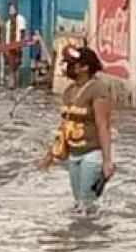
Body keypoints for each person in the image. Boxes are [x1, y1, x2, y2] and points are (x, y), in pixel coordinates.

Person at [36, 46, 115, 214]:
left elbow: (103, 125)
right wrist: (50, 155)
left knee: (87, 202)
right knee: (78, 201)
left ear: (85, 67)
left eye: (73, 64)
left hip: (92, 153)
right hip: (73, 153)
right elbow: (64, 126)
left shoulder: (98, 89)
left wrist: (107, 161)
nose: (67, 67)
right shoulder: (69, 91)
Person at [4, 2, 27, 88]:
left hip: (17, 44)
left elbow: (22, 32)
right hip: (10, 45)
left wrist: (19, 45)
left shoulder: (20, 19)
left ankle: (16, 82)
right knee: (11, 63)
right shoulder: (8, 22)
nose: (11, 11)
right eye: (10, 9)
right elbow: (7, 35)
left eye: (13, 9)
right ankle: (12, 82)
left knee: (17, 63)